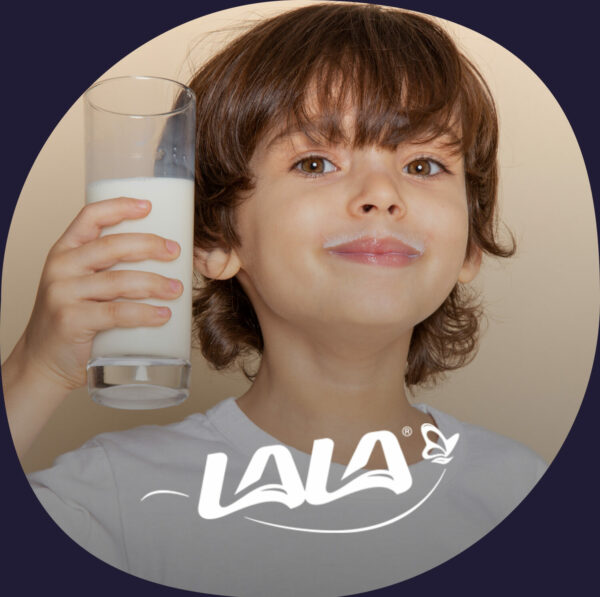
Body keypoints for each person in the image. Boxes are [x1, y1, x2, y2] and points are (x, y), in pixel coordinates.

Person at [1, 3, 547, 596]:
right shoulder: (115, 501)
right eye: (315, 162)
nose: (382, 194)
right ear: (214, 239)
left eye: (423, 163)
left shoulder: (524, 494)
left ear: (470, 241)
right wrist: (35, 368)